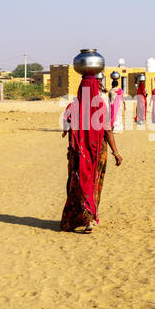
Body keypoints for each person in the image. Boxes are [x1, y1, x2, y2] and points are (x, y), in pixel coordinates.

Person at [60, 75, 122, 233]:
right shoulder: (100, 106)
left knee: (77, 184)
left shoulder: (73, 107)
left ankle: (75, 218)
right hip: (96, 153)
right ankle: (90, 219)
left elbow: (66, 126)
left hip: (78, 154)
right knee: (93, 184)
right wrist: (116, 152)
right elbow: (107, 131)